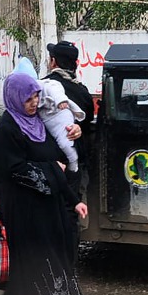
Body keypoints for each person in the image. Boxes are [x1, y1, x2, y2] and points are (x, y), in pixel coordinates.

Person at [0, 73, 88, 295]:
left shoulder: (37, 122)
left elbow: (57, 159)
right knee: (35, 263)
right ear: (16, 98)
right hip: (24, 209)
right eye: (29, 98)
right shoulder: (7, 129)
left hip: (47, 208)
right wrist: (52, 170)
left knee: (54, 259)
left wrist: (74, 201)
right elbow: (14, 168)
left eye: (37, 96)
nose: (34, 102)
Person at [44, 41, 94, 196]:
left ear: (53, 62)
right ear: (76, 64)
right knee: (72, 202)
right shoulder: (82, 92)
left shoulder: (43, 86)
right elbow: (87, 120)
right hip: (74, 160)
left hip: (47, 160)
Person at [36, 78, 86, 173]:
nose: (34, 102)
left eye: (35, 96)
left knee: (65, 143)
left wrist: (61, 100)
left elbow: (54, 88)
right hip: (48, 172)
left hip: (59, 169)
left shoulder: (47, 86)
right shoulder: (11, 124)